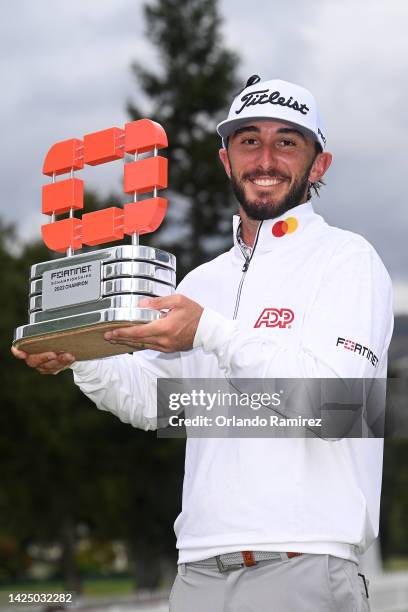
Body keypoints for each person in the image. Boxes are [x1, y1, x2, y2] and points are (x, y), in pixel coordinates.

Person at [12, 76, 393, 611]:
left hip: (302, 561)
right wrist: (85, 356)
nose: (266, 158)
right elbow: (158, 405)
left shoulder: (349, 260)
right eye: (249, 141)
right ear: (226, 160)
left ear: (319, 164)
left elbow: (333, 408)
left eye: (287, 142)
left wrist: (210, 332)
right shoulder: (201, 282)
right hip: (197, 570)